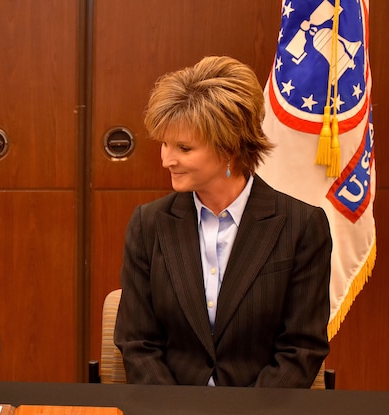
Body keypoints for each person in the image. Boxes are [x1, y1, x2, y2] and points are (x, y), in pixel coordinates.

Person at [114, 56, 332, 387]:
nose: (166, 159)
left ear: (229, 148)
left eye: (184, 148)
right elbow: (137, 343)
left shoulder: (301, 226)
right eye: (164, 144)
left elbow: (300, 349)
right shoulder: (149, 224)